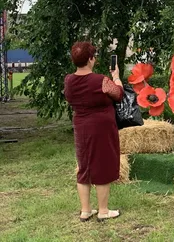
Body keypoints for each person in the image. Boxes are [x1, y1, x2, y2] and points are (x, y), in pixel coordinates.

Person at [64, 41, 124, 222]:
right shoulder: (101, 81)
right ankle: (103, 211)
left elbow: (69, 97)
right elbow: (119, 94)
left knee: (84, 166)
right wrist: (117, 76)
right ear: (90, 59)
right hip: (101, 126)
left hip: (81, 125)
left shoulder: (69, 80)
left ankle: (85, 210)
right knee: (102, 165)